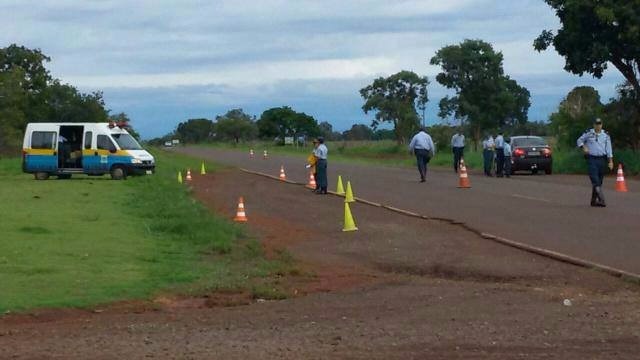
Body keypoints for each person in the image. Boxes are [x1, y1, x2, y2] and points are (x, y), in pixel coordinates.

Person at [576, 118, 613, 207]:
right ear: (594, 125)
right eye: (596, 124)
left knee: (599, 182)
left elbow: (609, 149)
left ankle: (593, 201)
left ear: (602, 125)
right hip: (591, 159)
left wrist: (610, 161)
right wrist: (583, 147)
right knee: (595, 179)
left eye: (599, 124)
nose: (598, 126)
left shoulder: (606, 135)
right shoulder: (589, 133)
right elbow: (579, 141)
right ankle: (602, 199)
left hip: (602, 159)